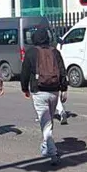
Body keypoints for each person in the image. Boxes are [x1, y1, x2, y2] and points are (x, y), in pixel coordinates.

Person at [20, 29, 69, 164]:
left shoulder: (31, 52)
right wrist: (64, 88)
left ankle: (53, 153)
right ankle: (46, 146)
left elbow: (24, 72)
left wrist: (24, 88)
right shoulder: (55, 52)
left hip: (38, 91)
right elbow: (62, 71)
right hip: (54, 91)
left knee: (46, 123)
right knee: (49, 122)